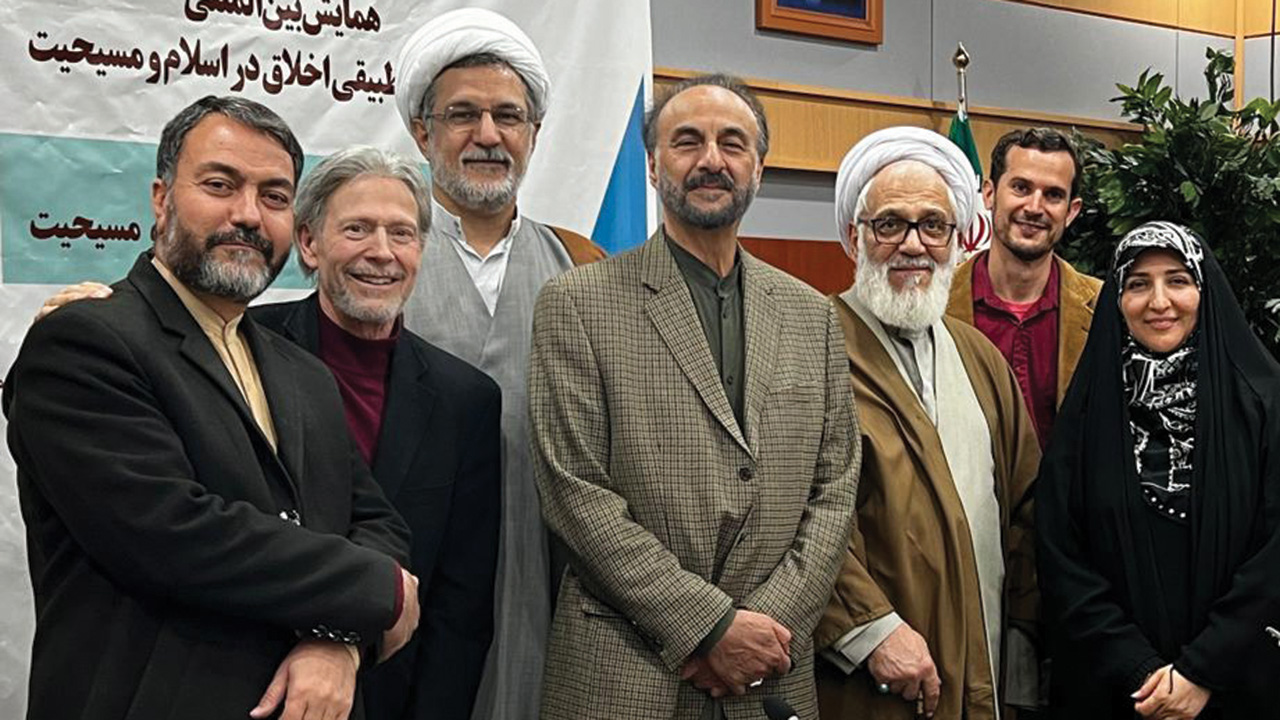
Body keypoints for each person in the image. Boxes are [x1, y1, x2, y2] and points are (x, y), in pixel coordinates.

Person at [3, 96, 418, 720]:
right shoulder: (85, 340)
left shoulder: (302, 372)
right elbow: (171, 535)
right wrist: (378, 590)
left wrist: (336, 643)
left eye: (274, 196)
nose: (248, 215)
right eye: (221, 185)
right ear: (161, 198)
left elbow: (376, 520)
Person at [528, 74, 860, 720]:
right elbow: (574, 492)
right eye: (687, 141)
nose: (711, 160)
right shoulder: (577, 303)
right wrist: (709, 628)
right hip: (626, 673)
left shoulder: (812, 314)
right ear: (653, 167)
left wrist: (761, 629)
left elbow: (835, 488)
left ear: (758, 169)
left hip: (771, 672)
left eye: (732, 143)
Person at [393, 11, 605, 717]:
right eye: (462, 115)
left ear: (534, 134)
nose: (488, 135)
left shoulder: (581, 263)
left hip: (549, 565)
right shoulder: (379, 258)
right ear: (422, 132)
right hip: (407, 566)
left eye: (508, 116)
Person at [250, 146, 502, 720]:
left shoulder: (467, 400)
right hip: (249, 685)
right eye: (357, 229)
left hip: (391, 696)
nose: (382, 253)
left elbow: (460, 610)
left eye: (401, 233)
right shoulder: (242, 348)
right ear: (309, 243)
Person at [814, 127, 1041, 720]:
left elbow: (1028, 509)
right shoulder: (807, 347)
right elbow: (786, 515)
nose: (913, 244)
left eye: (934, 225)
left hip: (985, 659)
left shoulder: (979, 357)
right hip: (866, 674)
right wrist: (869, 628)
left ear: (958, 241)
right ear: (854, 237)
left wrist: (1022, 651)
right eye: (890, 224)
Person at [1037, 221, 1280, 719]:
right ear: (1117, 299)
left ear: (1204, 291)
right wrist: (1140, 671)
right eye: (1138, 284)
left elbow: (1274, 554)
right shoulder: (1085, 413)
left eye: (1178, 280)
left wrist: (1201, 671)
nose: (1159, 301)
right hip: (1116, 691)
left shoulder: (1263, 402)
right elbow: (1061, 555)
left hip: (1239, 686)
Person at [947, 128, 1102, 449]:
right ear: (989, 194)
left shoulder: (1106, 307)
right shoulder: (936, 302)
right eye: (1021, 187)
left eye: (1053, 195)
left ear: (1071, 211)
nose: (1034, 207)